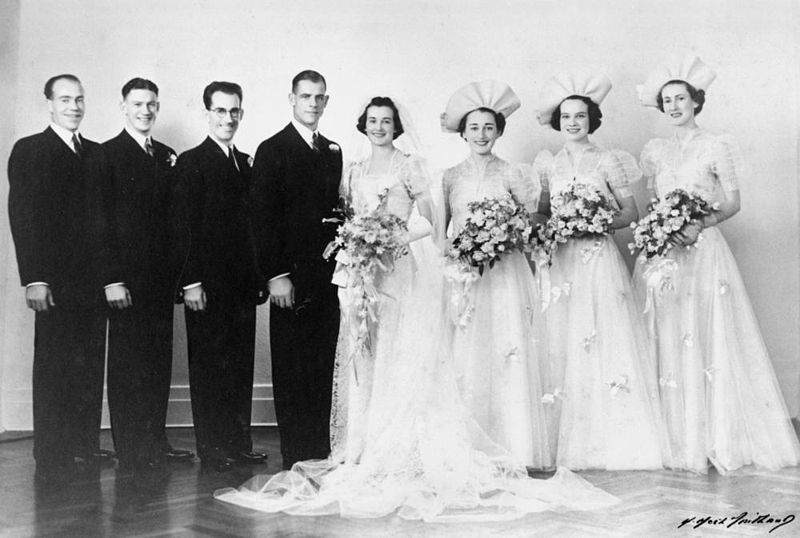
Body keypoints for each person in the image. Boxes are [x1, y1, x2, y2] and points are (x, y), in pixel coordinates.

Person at [215, 95, 619, 521]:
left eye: (386, 121)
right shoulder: (350, 168)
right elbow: (346, 216)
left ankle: (402, 442)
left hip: (399, 271)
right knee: (364, 353)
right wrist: (359, 247)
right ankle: (363, 443)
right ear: (363, 125)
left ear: (396, 126)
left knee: (398, 349)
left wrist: (391, 241)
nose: (379, 127)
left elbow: (430, 219)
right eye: (372, 121)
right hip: (363, 274)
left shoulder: (410, 166)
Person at [633, 55, 800, 473]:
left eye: (681, 99)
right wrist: (659, 231)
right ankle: (676, 437)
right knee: (669, 332)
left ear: (696, 102)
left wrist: (698, 224)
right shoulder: (655, 152)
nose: (673, 107)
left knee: (707, 331)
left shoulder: (716, 144)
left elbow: (732, 202)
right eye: (666, 101)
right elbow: (656, 203)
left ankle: (714, 436)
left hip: (703, 249)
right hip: (666, 250)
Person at [533, 73, 668, 470]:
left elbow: (632, 212)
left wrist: (596, 220)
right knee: (564, 336)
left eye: (581, 116)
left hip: (597, 259)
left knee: (604, 336)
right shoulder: (547, 165)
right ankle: (565, 440)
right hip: (562, 262)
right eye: (567, 116)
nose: (574, 123)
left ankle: (611, 437)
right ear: (559, 122)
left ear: (593, 120)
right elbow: (542, 210)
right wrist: (550, 225)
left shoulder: (608, 160)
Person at [440, 80, 551, 469]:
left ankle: (514, 444)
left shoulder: (515, 173)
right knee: (468, 353)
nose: (481, 135)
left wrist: (504, 234)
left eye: (489, 127)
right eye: (474, 128)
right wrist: (462, 252)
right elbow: (444, 234)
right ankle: (467, 444)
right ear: (463, 133)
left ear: (499, 131)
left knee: (507, 349)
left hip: (505, 273)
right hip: (466, 276)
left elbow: (531, 223)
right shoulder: (450, 177)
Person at [7, 74, 111, 484]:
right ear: (48, 103)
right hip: (54, 281)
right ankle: (52, 450)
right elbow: (24, 218)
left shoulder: (95, 153)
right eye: (65, 99)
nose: (73, 106)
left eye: (79, 99)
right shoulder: (31, 149)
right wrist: (35, 278)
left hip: (92, 281)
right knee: (55, 365)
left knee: (88, 363)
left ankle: (83, 445)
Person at [98, 77, 194, 473]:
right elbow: (99, 222)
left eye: (152, 104)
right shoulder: (106, 155)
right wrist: (111, 278)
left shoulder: (167, 155)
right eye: (138, 104)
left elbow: (175, 222)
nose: (146, 111)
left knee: (157, 361)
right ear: (123, 106)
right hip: (126, 280)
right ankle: (132, 446)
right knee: (127, 364)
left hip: (159, 281)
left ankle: (155, 439)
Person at [249, 70, 342, 469]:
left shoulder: (333, 150)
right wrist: (275, 274)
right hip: (290, 276)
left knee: (323, 359)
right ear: (291, 99)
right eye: (306, 97)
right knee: (292, 364)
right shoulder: (273, 149)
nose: (313, 104)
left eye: (320, 97)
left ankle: (320, 449)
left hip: (328, 276)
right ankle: (296, 453)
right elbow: (260, 218)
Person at [173, 81, 266, 472]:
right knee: (211, 366)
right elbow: (182, 227)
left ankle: (237, 442)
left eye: (234, 111)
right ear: (207, 113)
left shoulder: (244, 161)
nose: (228, 119)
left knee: (239, 364)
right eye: (220, 111)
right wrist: (190, 281)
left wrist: (259, 278)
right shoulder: (192, 162)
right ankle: (212, 447)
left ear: (241, 114)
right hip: (206, 287)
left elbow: (252, 228)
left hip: (242, 286)